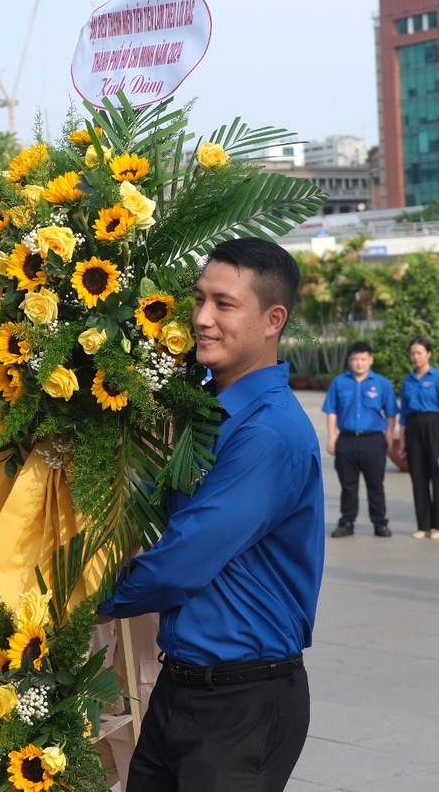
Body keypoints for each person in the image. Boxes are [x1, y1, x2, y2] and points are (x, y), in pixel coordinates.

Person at [98, 237, 324, 791]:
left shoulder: (269, 432)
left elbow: (182, 560)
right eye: (200, 300)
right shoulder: (199, 411)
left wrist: (76, 602)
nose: (201, 318)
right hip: (180, 688)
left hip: (244, 703)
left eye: (224, 305)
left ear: (273, 320)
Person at [324, 341, 397, 538]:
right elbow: (331, 412)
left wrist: (389, 436)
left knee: (376, 484)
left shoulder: (382, 383)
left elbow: (391, 412)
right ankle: (347, 522)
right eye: (355, 359)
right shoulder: (339, 383)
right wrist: (332, 438)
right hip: (346, 440)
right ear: (350, 361)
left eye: (363, 359)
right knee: (348, 485)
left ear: (370, 360)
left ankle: (379, 522)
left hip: (374, 440)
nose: (359, 363)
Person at [396, 337, 439, 539]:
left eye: (419, 353)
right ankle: (424, 526)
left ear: (428, 354)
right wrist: (402, 438)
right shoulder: (408, 380)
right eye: (412, 353)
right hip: (413, 428)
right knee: (418, 477)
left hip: (435, 427)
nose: (415, 357)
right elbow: (404, 413)